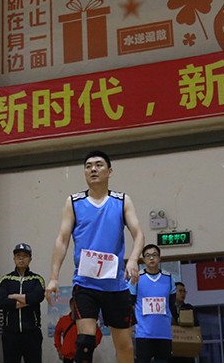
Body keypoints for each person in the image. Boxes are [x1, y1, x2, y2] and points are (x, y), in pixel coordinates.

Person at [47, 150, 144, 363]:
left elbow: (138, 234)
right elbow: (62, 240)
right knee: (85, 342)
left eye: (99, 165)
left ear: (109, 171)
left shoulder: (122, 200)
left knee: (125, 346)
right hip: (85, 284)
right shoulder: (74, 202)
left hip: (116, 286)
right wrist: (53, 277)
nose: (93, 169)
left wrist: (133, 259)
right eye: (88, 166)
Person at [0, 242, 45, 363]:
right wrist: (28, 301)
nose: (21, 259)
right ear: (14, 258)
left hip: (32, 333)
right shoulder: (5, 280)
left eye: (25, 256)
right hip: (10, 334)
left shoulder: (37, 279)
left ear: (30, 259)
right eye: (18, 256)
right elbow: (2, 301)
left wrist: (14, 296)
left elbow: (38, 297)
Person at [134, 243, 177, 363]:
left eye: (154, 255)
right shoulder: (136, 278)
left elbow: (171, 304)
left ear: (159, 258)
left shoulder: (168, 278)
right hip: (143, 333)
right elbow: (130, 302)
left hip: (164, 334)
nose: (151, 258)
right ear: (143, 259)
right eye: (148, 255)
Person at [55, 298, 104, 363]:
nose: (75, 308)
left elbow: (98, 334)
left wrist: (89, 347)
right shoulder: (63, 320)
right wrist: (59, 349)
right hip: (67, 357)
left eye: (77, 305)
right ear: (70, 306)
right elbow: (57, 333)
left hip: (82, 357)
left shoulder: (86, 320)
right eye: (74, 305)